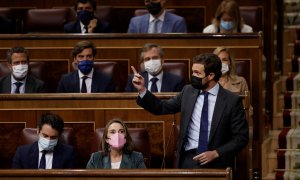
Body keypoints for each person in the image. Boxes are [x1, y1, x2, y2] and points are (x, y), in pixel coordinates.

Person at [131, 53, 249, 168]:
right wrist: (142, 90)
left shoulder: (231, 101)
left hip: (216, 161)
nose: (193, 76)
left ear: (211, 76)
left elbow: (241, 137)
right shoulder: (188, 91)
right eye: (193, 71)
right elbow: (161, 107)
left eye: (197, 73)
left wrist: (216, 153)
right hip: (188, 159)